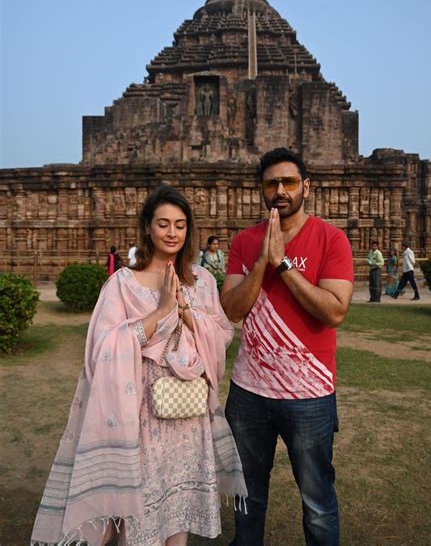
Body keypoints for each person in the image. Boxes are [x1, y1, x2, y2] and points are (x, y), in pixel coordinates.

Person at [31, 185, 247, 546]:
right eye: (163, 223)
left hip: (187, 415)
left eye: (180, 224)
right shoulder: (122, 284)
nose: (172, 232)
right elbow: (102, 347)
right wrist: (161, 310)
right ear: (147, 227)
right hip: (141, 417)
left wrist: (186, 313)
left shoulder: (203, 281)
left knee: (178, 510)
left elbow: (223, 334)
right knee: (141, 514)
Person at [221, 148, 354, 546]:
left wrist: (283, 265)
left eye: (289, 182)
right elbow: (232, 308)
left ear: (306, 187)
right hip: (248, 393)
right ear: (262, 190)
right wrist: (262, 261)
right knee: (247, 495)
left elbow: (333, 312)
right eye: (271, 183)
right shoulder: (245, 242)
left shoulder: (331, 239)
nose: (280, 190)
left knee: (316, 500)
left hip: (308, 395)